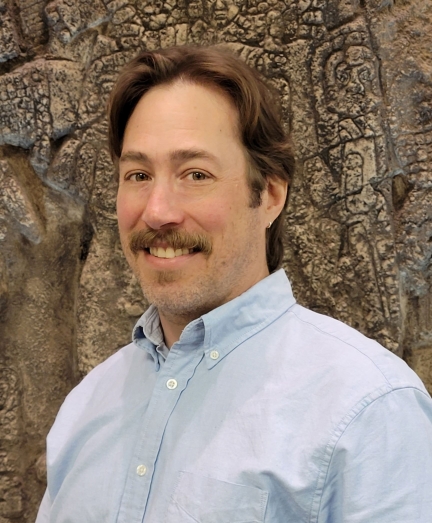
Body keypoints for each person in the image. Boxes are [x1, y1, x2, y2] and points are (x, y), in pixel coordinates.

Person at [36, 45, 432, 522]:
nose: (157, 211)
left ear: (270, 195)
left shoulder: (369, 408)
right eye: (138, 174)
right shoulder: (85, 407)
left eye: (195, 174)